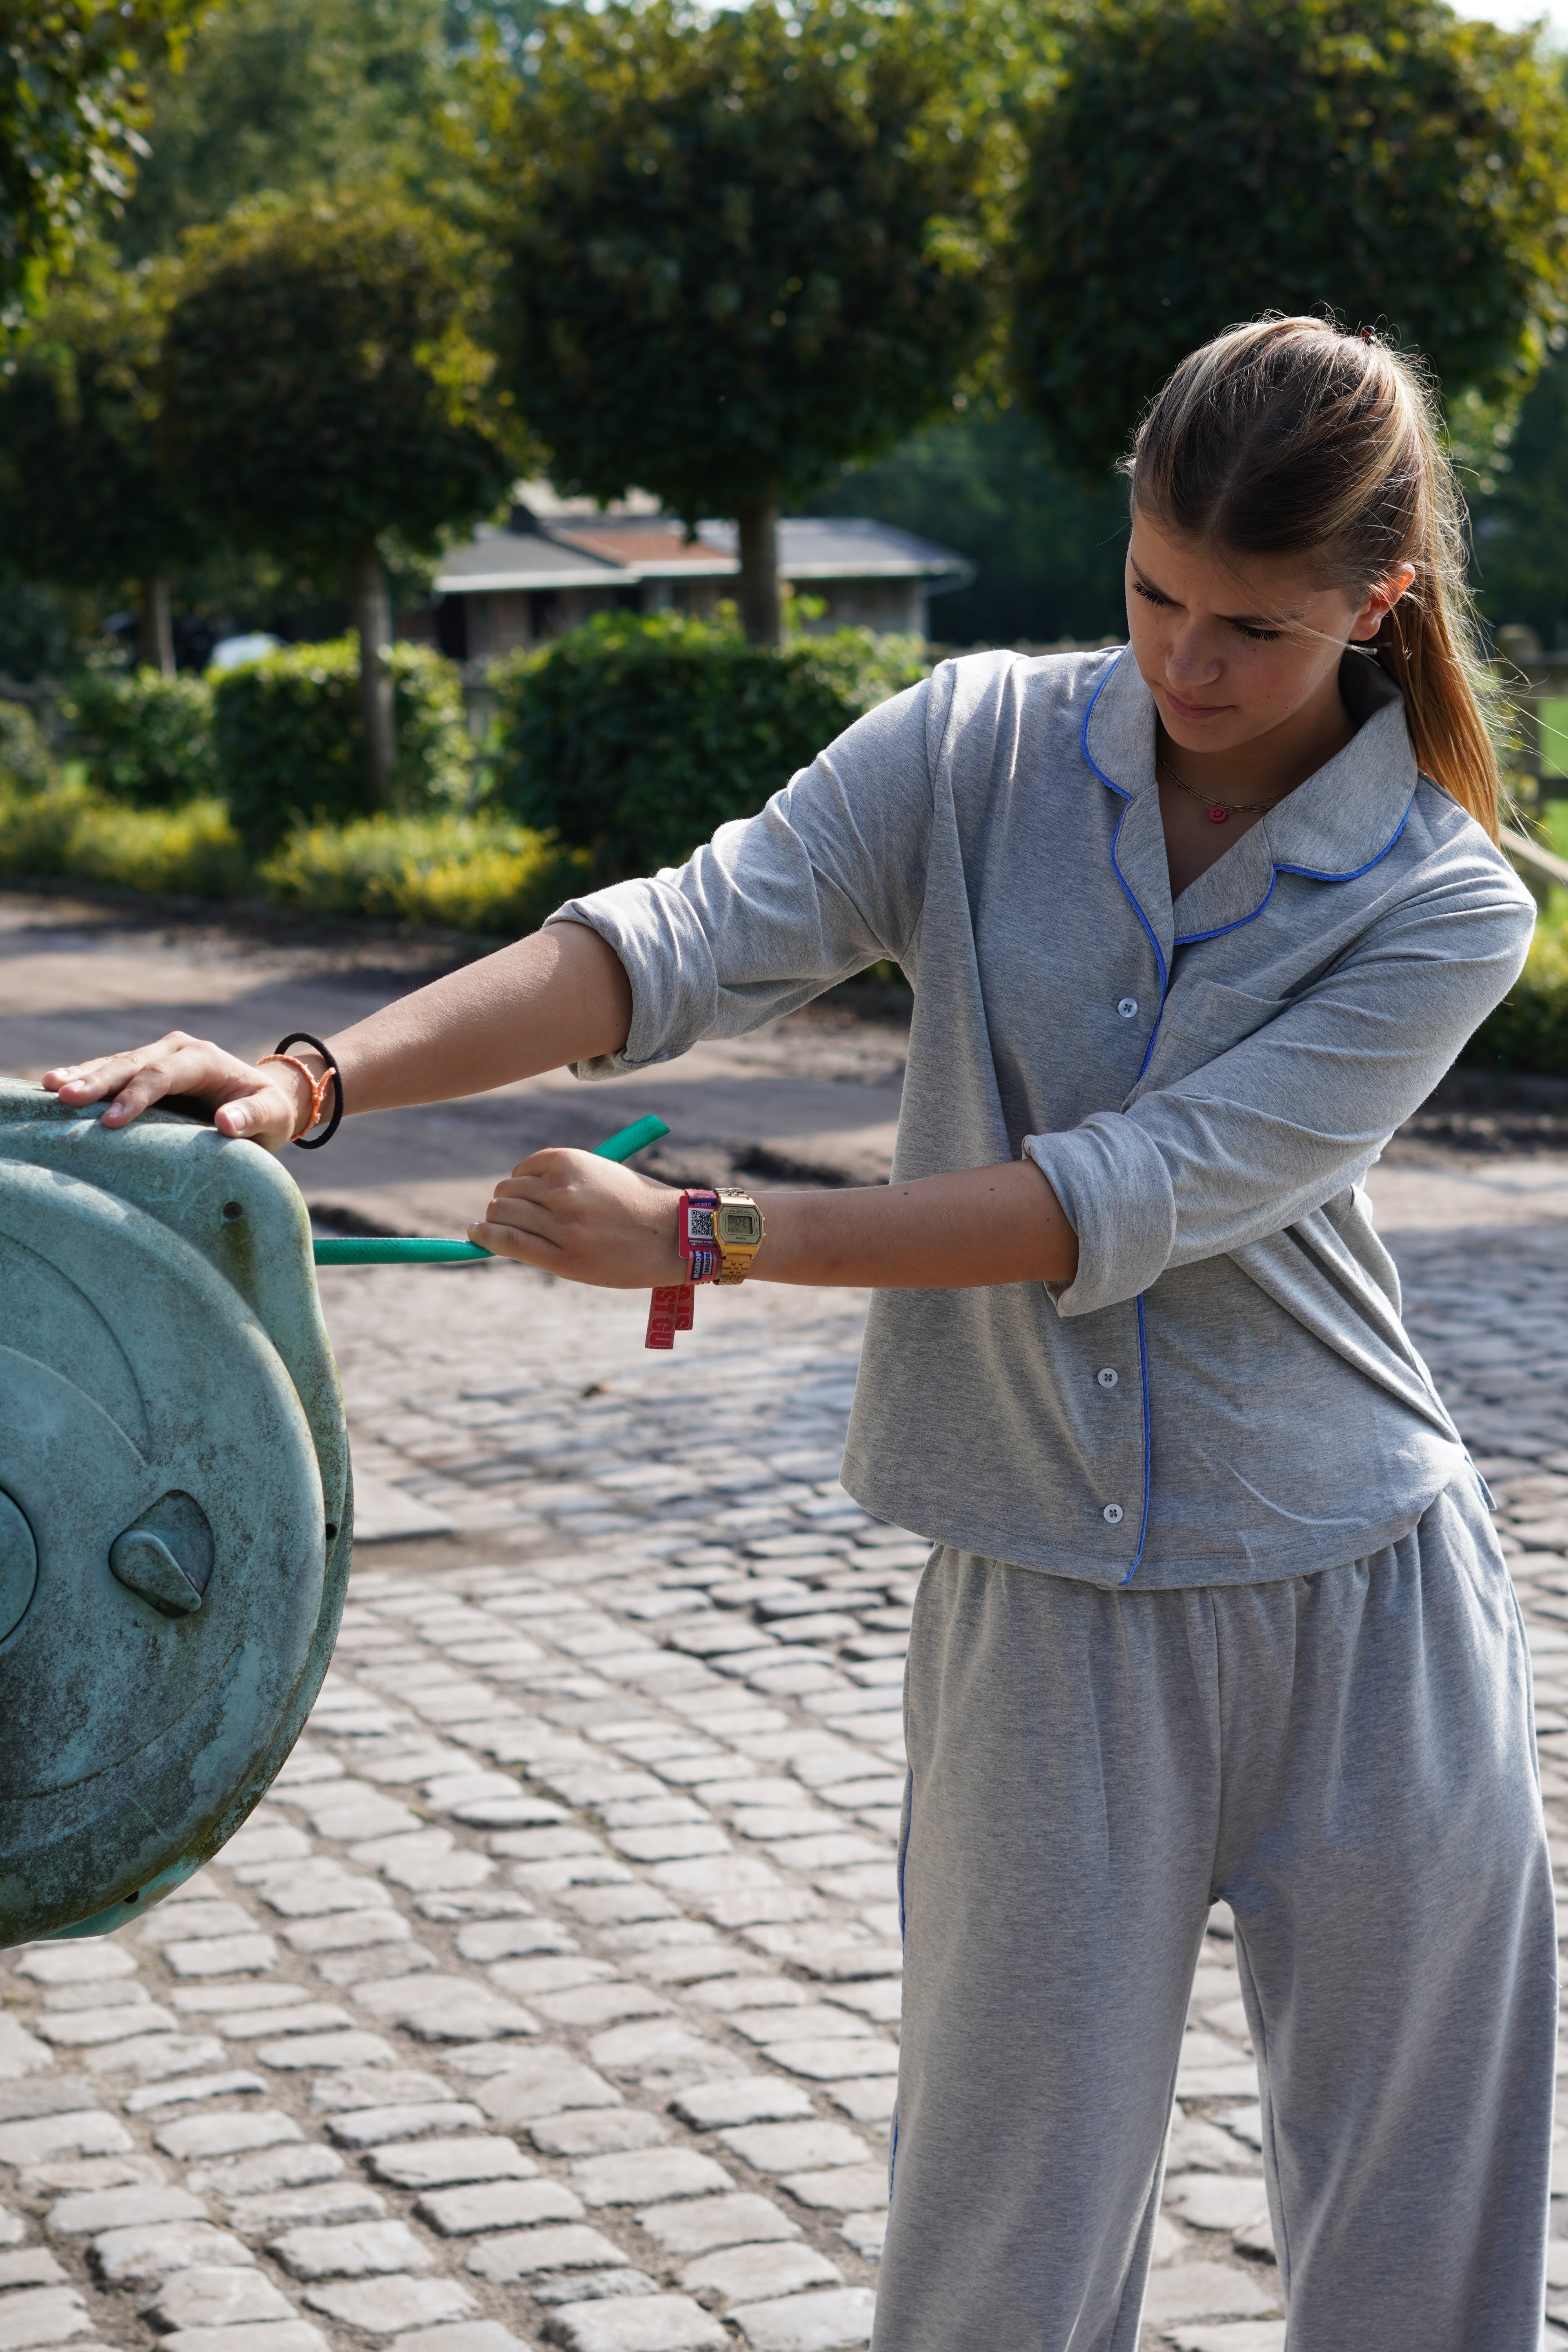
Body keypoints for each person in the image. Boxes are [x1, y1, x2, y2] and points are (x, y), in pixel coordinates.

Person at [47, 315, 1553, 2350]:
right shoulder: (974, 749)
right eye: (1153, 594)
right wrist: (315, 1086)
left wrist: (701, 1234)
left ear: (1376, 603)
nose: (1186, 667)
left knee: (1421, 2262)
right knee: (996, 2267)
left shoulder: (1447, 902)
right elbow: (672, 939)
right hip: (1043, 1613)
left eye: (1256, 631)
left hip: (1369, 1608)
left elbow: (1134, 1191)